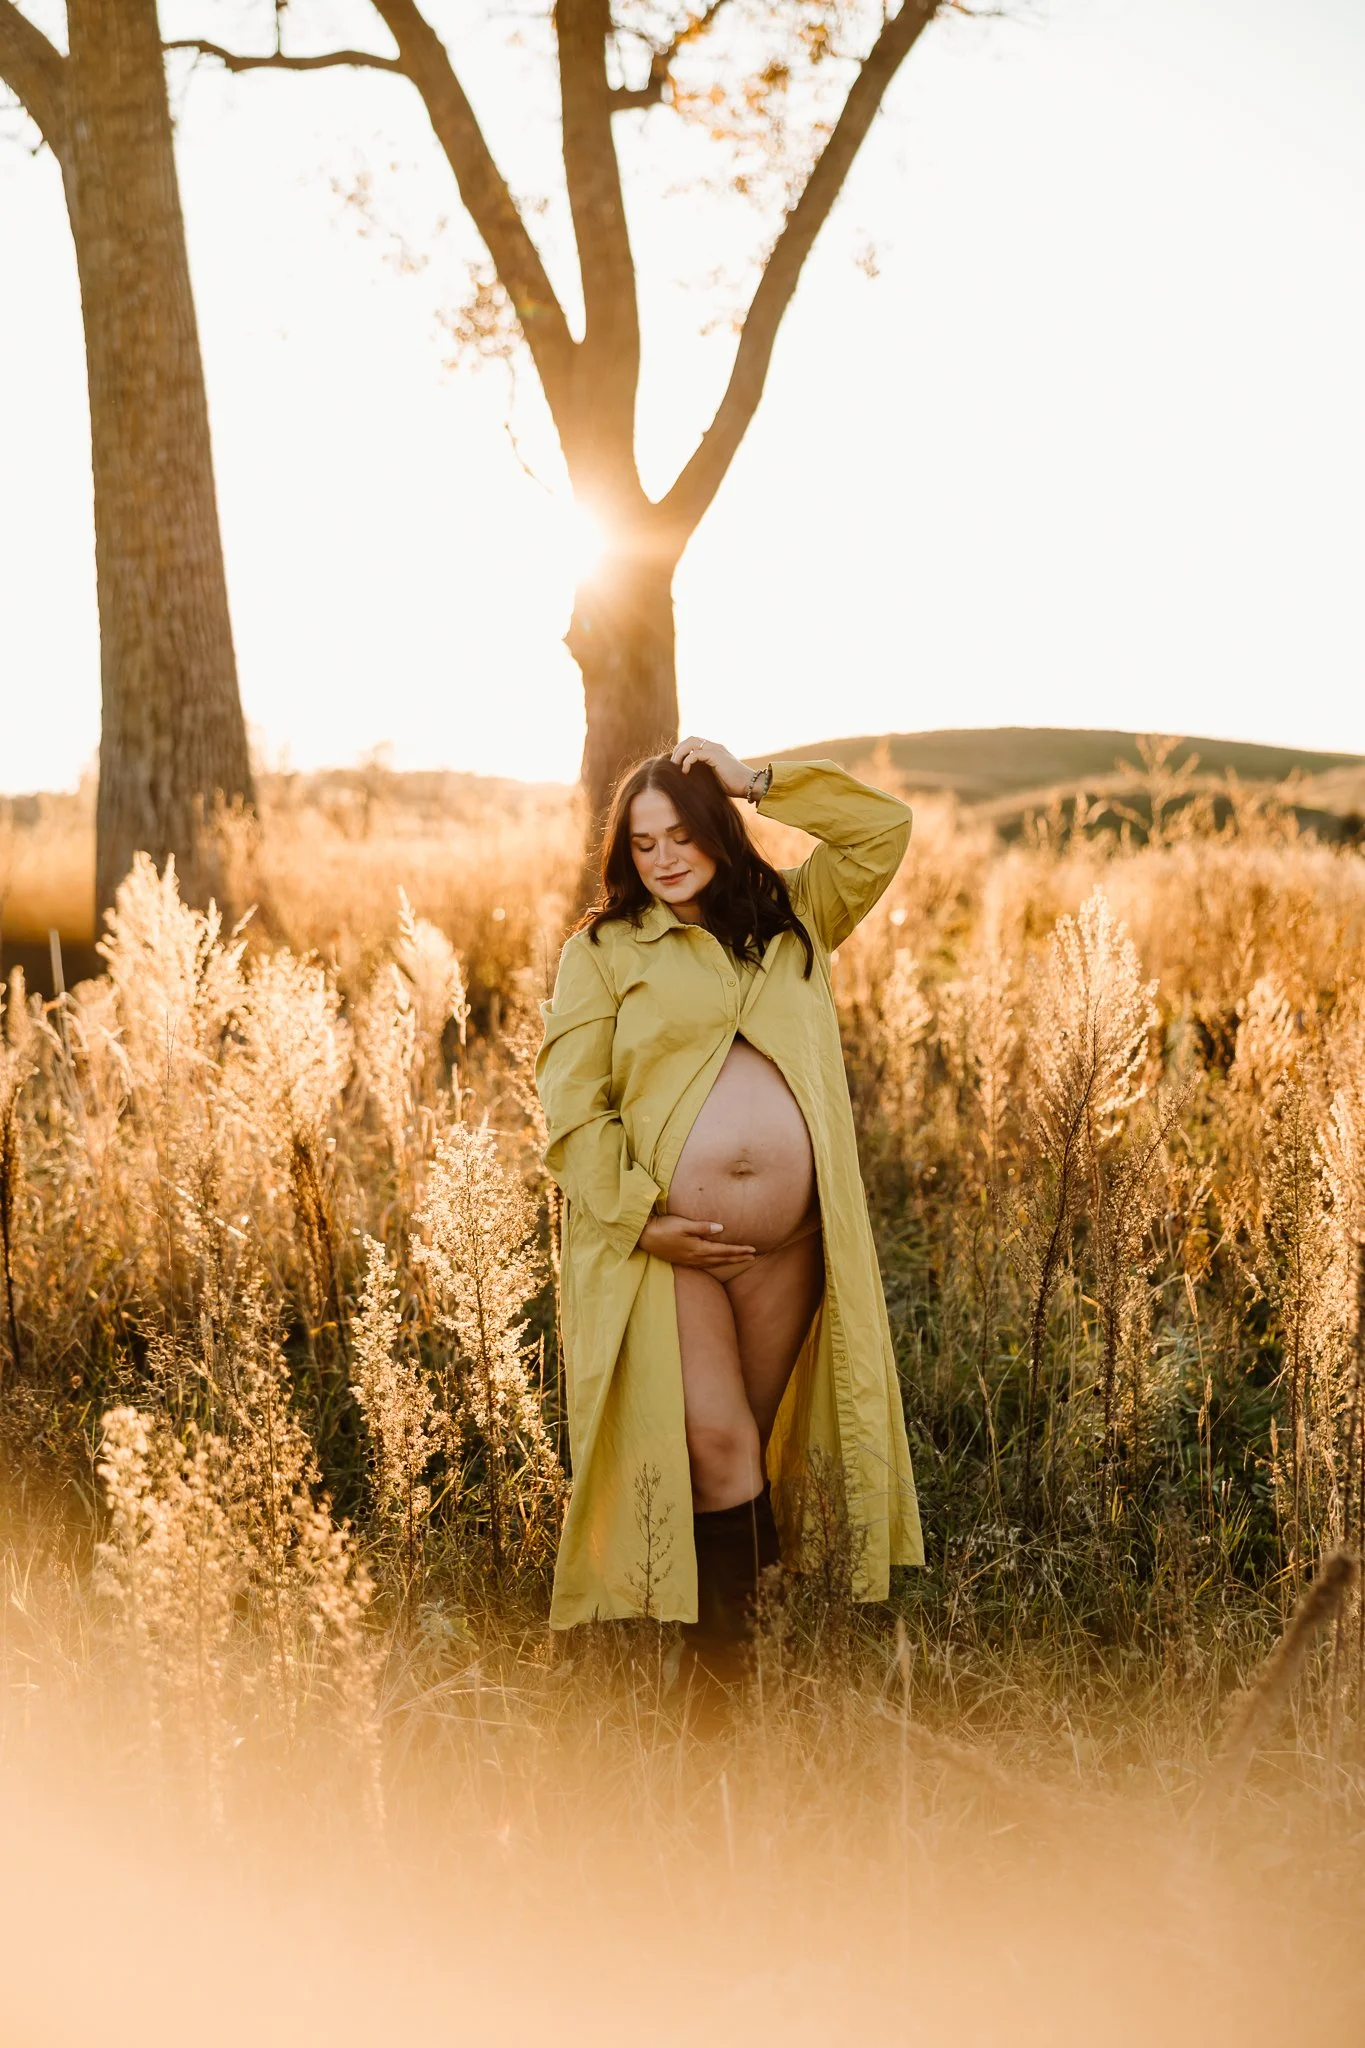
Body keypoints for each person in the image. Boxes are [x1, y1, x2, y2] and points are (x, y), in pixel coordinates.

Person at [534, 736, 923, 1691]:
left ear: (717, 830)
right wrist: (637, 1219)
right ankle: (715, 1703)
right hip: (673, 1247)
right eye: (640, 843)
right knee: (716, 1446)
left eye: (680, 834)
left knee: (737, 1457)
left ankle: (736, 1673)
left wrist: (754, 780)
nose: (662, 858)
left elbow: (881, 831)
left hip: (789, 1245)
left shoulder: (797, 916)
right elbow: (572, 1109)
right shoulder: (603, 951)